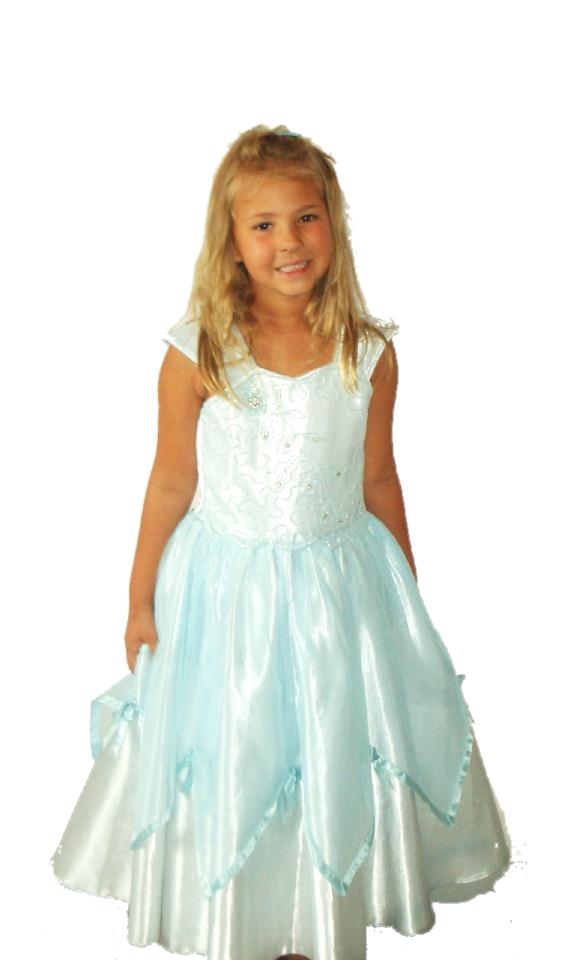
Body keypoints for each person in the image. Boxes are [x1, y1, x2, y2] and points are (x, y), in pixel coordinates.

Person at [51, 124, 511, 960]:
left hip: (341, 596)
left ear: (333, 223)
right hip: (225, 598)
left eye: (306, 217)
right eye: (263, 224)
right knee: (240, 753)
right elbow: (170, 481)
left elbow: (378, 479)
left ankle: (310, 930)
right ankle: (242, 922)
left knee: (329, 752)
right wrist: (138, 598)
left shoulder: (368, 353)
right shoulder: (199, 351)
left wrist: (406, 599)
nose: (288, 242)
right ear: (231, 240)